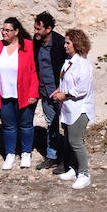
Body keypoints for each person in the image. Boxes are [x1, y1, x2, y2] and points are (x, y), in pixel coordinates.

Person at [0, 16, 39, 170]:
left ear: (17, 31)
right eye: (3, 30)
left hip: (25, 94)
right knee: (8, 126)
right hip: (4, 94)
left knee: (26, 125)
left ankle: (25, 153)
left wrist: (34, 93)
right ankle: (10, 154)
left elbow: (35, 72)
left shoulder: (29, 46)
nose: (4, 33)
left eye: (8, 30)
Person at [51, 28, 95, 190]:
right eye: (65, 42)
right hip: (69, 107)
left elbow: (81, 89)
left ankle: (84, 174)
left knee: (76, 142)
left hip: (80, 108)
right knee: (69, 140)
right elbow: (66, 81)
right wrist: (59, 89)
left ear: (76, 44)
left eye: (68, 42)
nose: (65, 45)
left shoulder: (83, 64)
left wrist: (65, 94)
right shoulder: (69, 61)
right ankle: (74, 168)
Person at [32, 11, 66, 170]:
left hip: (60, 93)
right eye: (35, 28)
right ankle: (52, 156)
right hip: (45, 92)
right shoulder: (36, 42)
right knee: (51, 125)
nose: (35, 32)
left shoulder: (60, 43)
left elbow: (69, 67)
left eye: (38, 29)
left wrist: (63, 89)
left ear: (49, 29)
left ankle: (65, 160)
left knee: (65, 126)